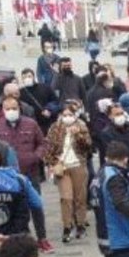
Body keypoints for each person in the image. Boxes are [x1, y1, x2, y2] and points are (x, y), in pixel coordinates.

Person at [44, 104, 93, 244]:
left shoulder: (82, 126)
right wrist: (52, 163)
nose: (67, 118)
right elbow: (48, 147)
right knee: (66, 197)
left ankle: (80, 223)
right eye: (64, 115)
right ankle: (67, 226)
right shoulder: (55, 127)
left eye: (70, 115)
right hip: (62, 167)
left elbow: (88, 147)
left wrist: (78, 135)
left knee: (80, 197)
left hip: (78, 165)